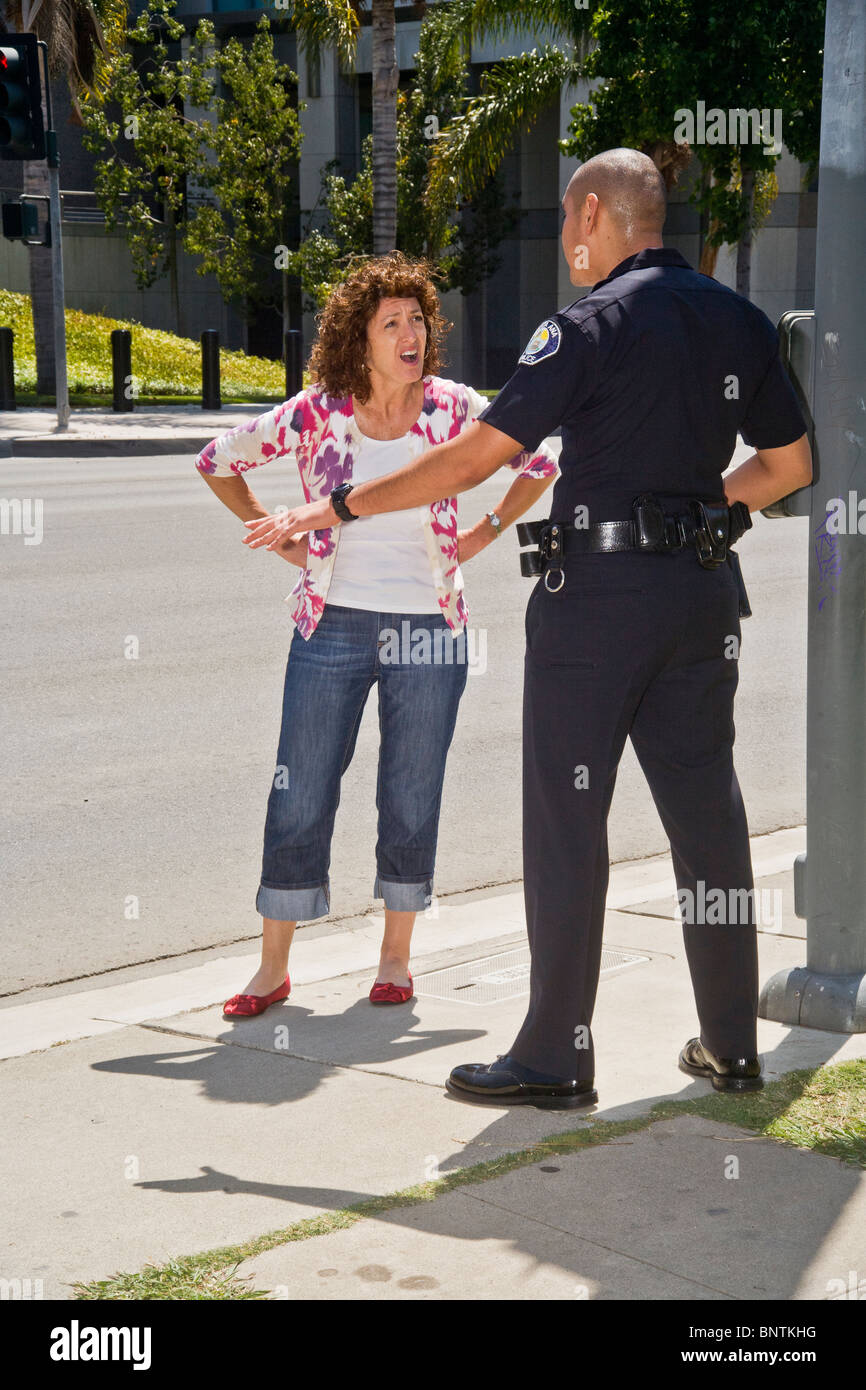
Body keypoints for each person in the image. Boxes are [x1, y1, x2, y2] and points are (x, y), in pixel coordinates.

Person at [251, 149, 812, 1107]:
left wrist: (340, 507)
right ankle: (732, 1045)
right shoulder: (739, 320)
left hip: (597, 605)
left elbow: (474, 460)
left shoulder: (586, 327)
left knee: (566, 823)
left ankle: (556, 1055)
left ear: (594, 214)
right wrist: (690, 510)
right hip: (699, 598)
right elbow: (791, 463)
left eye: (565, 220)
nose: (564, 240)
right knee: (708, 818)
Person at [196, 251, 558, 1017]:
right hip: (331, 623)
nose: (410, 333)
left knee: (411, 790)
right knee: (301, 787)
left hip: (431, 626)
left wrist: (487, 531)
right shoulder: (317, 411)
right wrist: (283, 539)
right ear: (358, 339)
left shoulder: (457, 409)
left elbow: (542, 459)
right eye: (390, 321)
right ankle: (272, 970)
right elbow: (215, 460)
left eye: (417, 319)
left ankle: (394, 959)